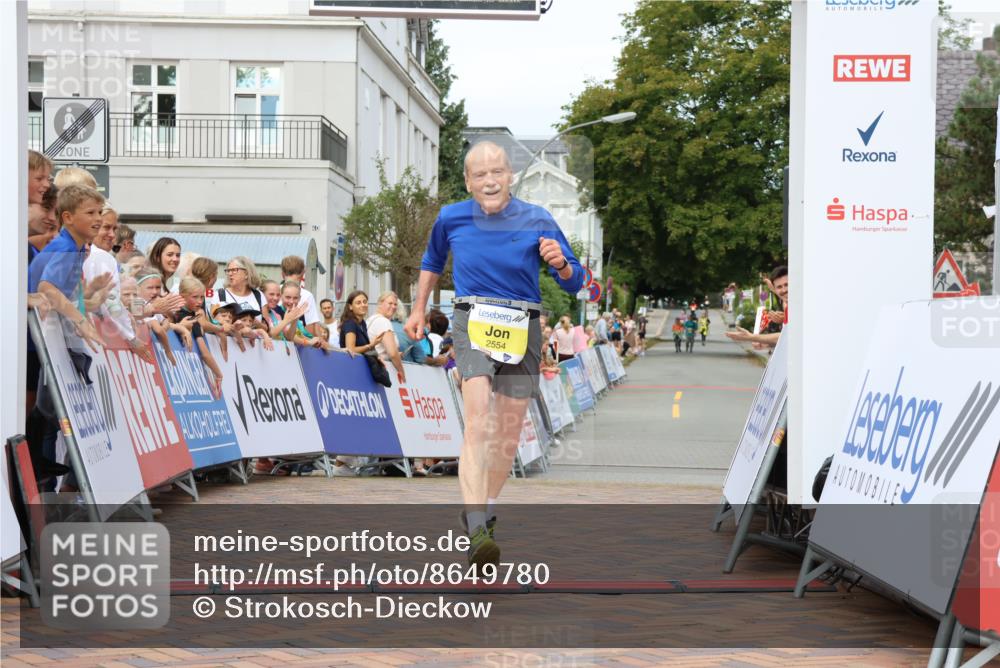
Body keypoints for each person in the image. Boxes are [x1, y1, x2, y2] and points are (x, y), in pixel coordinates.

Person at [403, 141, 583, 569]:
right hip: (472, 317)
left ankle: (484, 511)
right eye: (479, 174)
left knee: (507, 432)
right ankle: (477, 523)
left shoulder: (538, 219)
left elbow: (577, 284)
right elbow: (432, 260)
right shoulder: (450, 217)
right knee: (479, 414)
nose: (489, 180)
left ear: (510, 176)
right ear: (468, 181)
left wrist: (560, 265)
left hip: (523, 324)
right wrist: (417, 308)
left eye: (497, 172)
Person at [726, 265, 788, 349]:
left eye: (787, 285)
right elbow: (787, 338)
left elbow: (789, 335)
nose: (784, 290)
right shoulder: (788, 307)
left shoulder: (801, 307)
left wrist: (751, 337)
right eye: (779, 287)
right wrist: (767, 343)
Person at [367, 291, 406, 385]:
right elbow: (392, 353)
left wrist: (396, 354)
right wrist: (402, 371)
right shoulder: (383, 322)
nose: (393, 307)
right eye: (390, 303)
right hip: (381, 371)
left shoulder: (370, 319)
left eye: (395, 304)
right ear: (380, 303)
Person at [280, 255, 324, 338]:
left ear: (282, 274)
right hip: (301, 345)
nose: (291, 301)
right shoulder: (307, 295)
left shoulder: (273, 293)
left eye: (295, 298)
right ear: (303, 274)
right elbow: (311, 329)